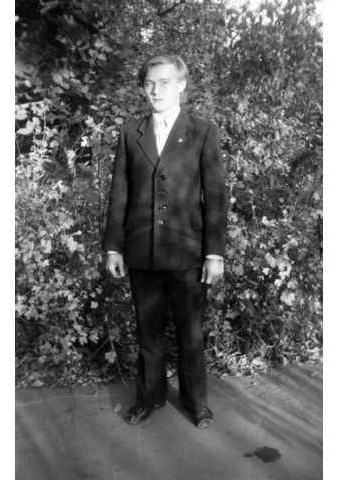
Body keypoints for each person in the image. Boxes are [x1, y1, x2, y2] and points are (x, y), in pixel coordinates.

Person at [103, 54, 228, 429]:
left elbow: (216, 195)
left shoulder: (203, 131)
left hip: (188, 253)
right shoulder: (131, 132)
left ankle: (196, 402)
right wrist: (113, 246)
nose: (155, 90)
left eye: (164, 82)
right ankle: (150, 397)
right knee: (148, 334)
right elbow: (119, 192)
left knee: (191, 336)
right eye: (149, 84)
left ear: (181, 85)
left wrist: (214, 253)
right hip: (142, 252)